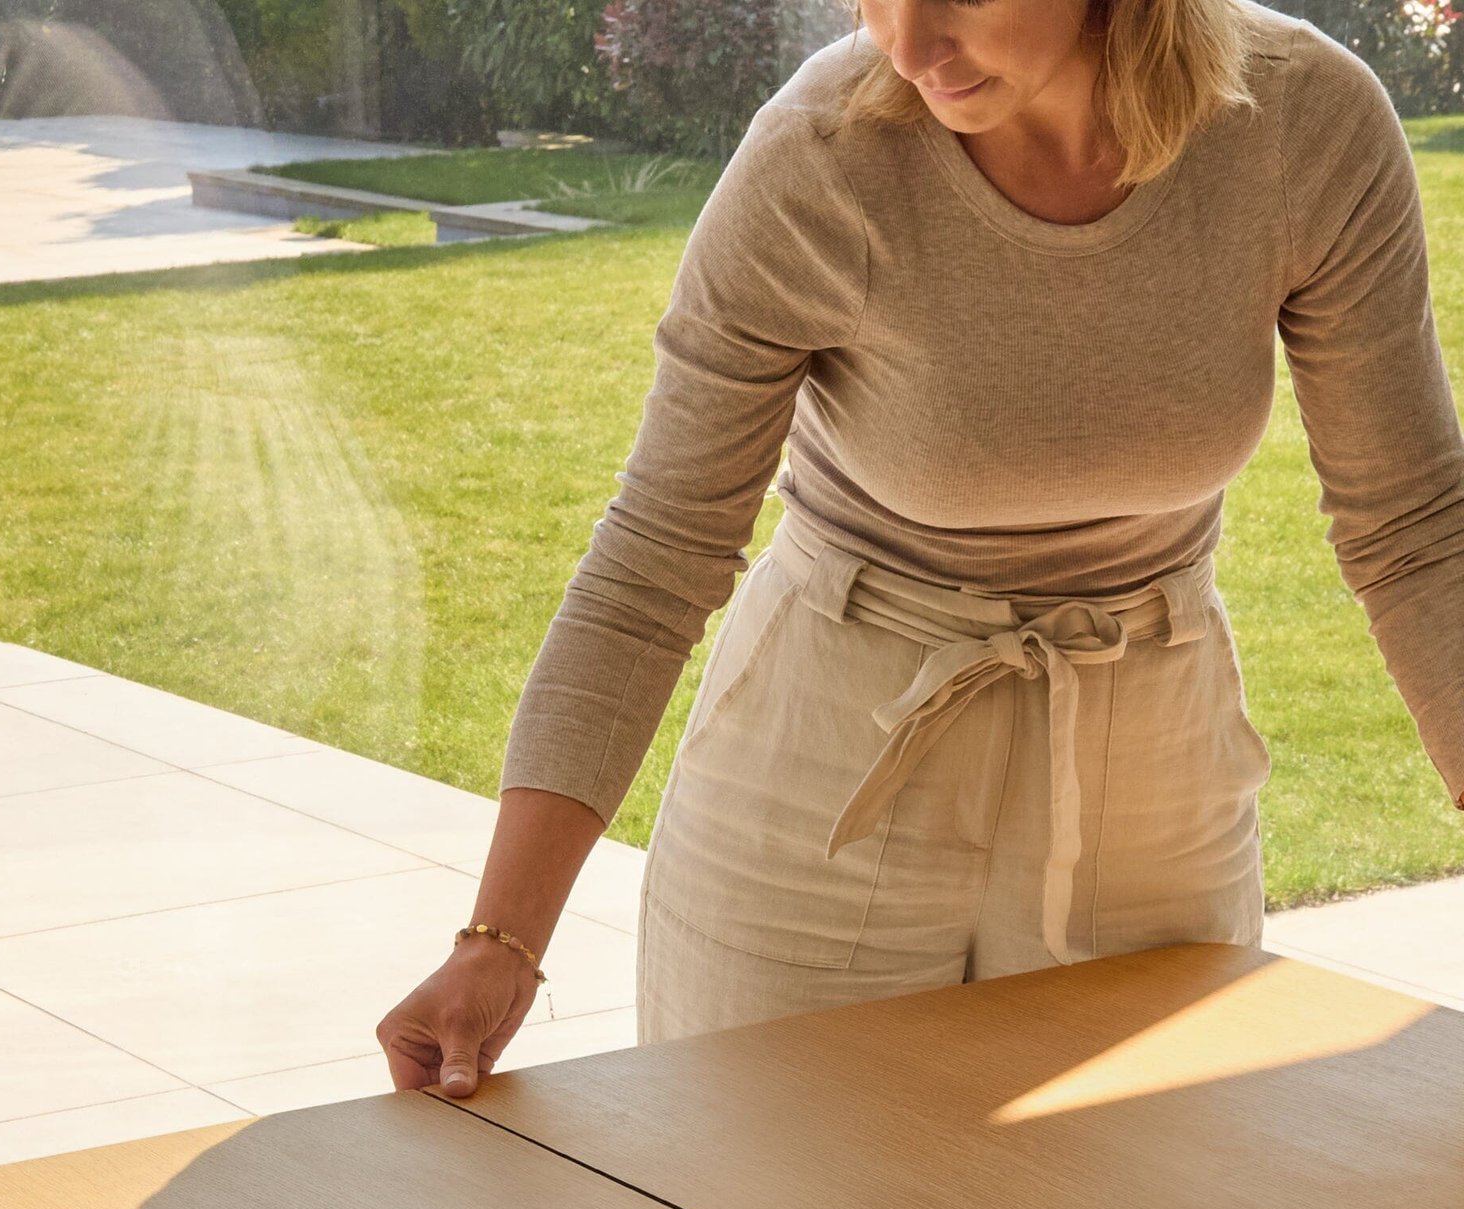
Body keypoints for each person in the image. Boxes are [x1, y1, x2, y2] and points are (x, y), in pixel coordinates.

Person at [377, 0, 1464, 1096]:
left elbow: (1413, 527)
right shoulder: (821, 154)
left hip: (1152, 783)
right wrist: (498, 942)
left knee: (1144, 1197)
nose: (907, 45)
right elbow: (656, 553)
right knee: (767, 1198)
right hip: (824, 778)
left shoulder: (1299, 125)